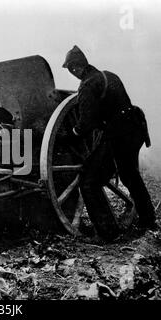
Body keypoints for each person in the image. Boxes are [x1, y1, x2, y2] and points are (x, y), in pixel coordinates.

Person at [62, 45, 156, 241]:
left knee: (89, 181)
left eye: (72, 69)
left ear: (76, 68)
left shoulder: (87, 85)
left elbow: (85, 124)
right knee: (130, 174)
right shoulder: (109, 75)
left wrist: (72, 133)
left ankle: (108, 233)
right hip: (135, 128)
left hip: (118, 134)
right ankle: (148, 219)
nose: (73, 73)